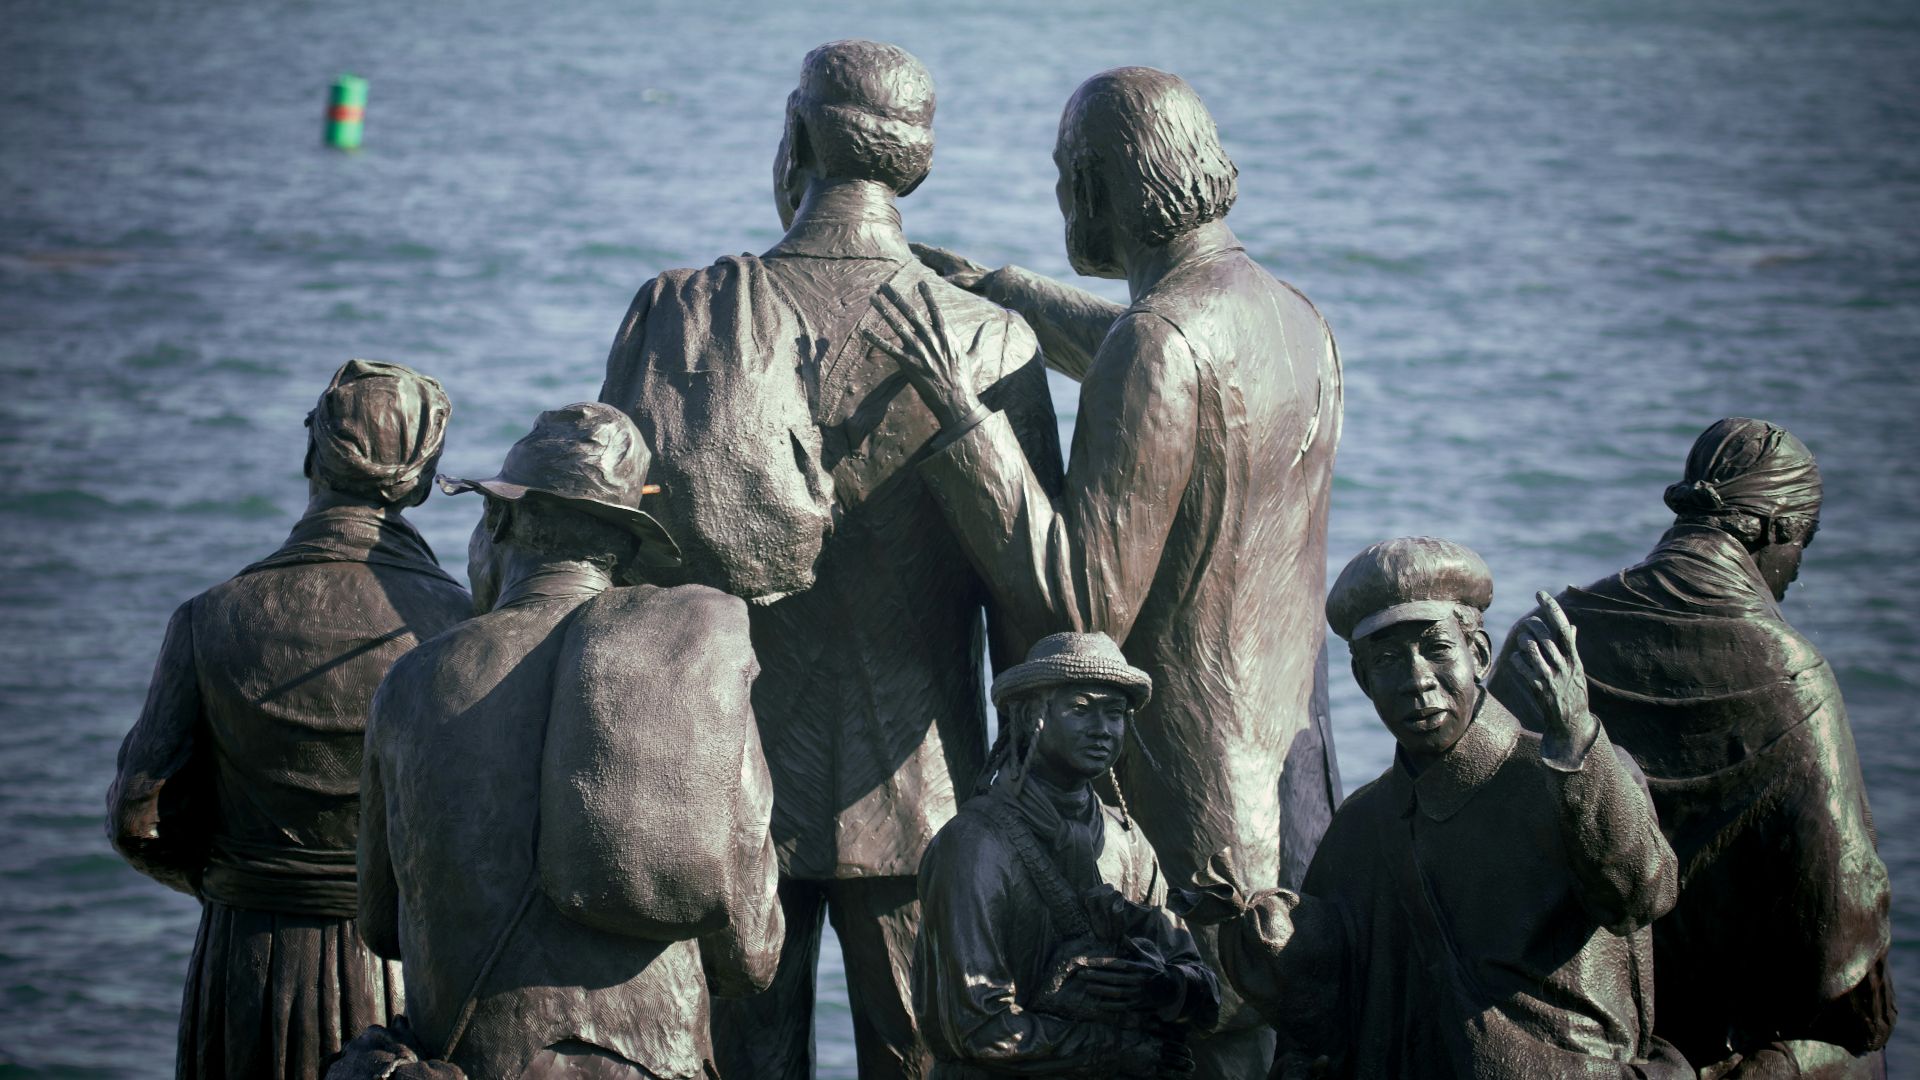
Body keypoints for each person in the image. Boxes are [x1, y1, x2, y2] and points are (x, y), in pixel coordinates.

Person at [599, 39, 1063, 1078]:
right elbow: (1034, 599)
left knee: (743, 1059)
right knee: (926, 1055)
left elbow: (610, 557)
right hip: (925, 789)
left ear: (798, 136)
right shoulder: (991, 339)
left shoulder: (683, 316)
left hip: (719, 778)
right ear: (919, 163)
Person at [872, 65, 1340, 1073]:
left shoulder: (1159, 345)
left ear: (1092, 186)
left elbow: (1083, 604)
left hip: (1186, 790)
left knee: (1195, 1039)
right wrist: (1003, 292)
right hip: (1287, 770)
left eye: (1060, 175)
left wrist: (961, 416)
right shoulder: (1292, 316)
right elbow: (1155, 363)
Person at [356, 403, 783, 1079]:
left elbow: (382, 927)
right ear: (627, 550)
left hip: (477, 1062)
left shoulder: (410, 681)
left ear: (498, 522)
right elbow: (751, 957)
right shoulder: (698, 674)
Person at [1180, 537, 1689, 1078]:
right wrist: (1275, 941)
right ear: (1363, 680)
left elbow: (1641, 896)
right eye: (1387, 660)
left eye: (1437, 648)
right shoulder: (1360, 827)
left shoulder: (1570, 772)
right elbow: (1335, 1012)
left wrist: (1576, 741)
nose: (1416, 679)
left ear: (1480, 656)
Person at [1489, 418, 1896, 1077]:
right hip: (1712, 1043)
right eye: (1803, 545)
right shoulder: (1794, 678)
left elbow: (1478, 828)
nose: (1793, 575)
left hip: (1555, 1018)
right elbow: (1842, 920)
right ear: (1772, 532)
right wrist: (1866, 1023)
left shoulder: (1551, 635)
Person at [106, 360, 470, 1080]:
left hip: (246, 966)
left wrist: (238, 882)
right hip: (410, 979)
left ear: (312, 456)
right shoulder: (463, 628)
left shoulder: (208, 617)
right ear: (423, 482)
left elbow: (137, 822)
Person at [914, 632, 1220, 1077]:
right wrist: (1115, 1049)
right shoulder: (974, 845)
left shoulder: (1128, 839)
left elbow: (1202, 991)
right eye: (1080, 709)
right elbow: (977, 1027)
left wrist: (1166, 987)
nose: (1102, 729)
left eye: (1114, 713)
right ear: (1029, 717)